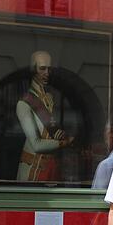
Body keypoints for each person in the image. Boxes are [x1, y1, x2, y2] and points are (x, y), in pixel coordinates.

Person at [16, 50, 74, 181]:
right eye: (42, 68)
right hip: (32, 170)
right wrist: (63, 143)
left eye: (49, 69)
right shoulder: (24, 103)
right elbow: (36, 145)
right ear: (33, 70)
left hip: (49, 169)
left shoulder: (50, 98)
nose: (47, 73)